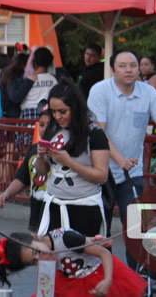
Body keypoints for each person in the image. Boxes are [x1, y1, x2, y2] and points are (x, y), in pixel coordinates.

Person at [87, 48, 156, 270]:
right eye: (122, 66)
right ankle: (102, 276)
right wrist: (119, 158)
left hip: (131, 175)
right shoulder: (100, 91)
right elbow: (98, 132)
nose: (129, 70)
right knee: (100, 231)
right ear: (113, 69)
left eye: (133, 65)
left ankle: (135, 280)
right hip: (100, 171)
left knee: (135, 230)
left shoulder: (148, 93)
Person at [35, 80, 109, 237]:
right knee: (50, 257)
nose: (57, 116)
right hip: (53, 204)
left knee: (82, 259)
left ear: (75, 108)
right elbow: (42, 170)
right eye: (54, 112)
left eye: (63, 111)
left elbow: (102, 176)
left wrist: (69, 163)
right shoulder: (53, 128)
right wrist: (40, 156)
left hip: (83, 207)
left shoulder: (95, 133)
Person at [0, 228, 146, 296]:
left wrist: (108, 280)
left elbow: (105, 254)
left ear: (35, 236)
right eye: (33, 262)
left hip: (99, 274)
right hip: (71, 281)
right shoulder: (45, 252)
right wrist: (91, 241)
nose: (39, 258)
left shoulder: (64, 238)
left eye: (36, 252)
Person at [0, 103, 52, 231]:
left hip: (54, 217)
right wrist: (6, 194)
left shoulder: (61, 152)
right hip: (36, 218)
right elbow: (22, 178)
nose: (44, 129)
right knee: (35, 248)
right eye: (42, 124)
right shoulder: (33, 150)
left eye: (49, 125)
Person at [19, 47, 56, 120]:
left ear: (34, 62)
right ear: (50, 64)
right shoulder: (54, 80)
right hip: (47, 115)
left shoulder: (29, 79)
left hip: (28, 115)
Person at [0, 51, 31, 119]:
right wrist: (29, 82)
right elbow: (15, 96)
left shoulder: (6, 74)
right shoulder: (13, 77)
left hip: (7, 114)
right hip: (14, 115)